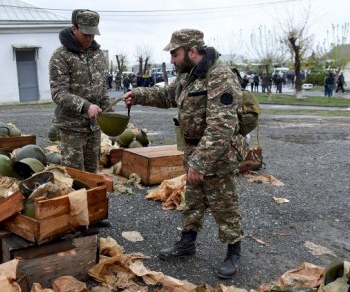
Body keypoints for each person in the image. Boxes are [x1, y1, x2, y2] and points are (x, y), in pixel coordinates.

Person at [122, 29, 246, 279]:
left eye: (175, 54)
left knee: (224, 204)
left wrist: (200, 162)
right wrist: (139, 95)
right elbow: (167, 95)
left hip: (218, 154)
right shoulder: (187, 75)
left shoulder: (220, 75)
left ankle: (233, 251)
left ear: (192, 51)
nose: (171, 60)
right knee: (193, 200)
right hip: (193, 150)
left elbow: (222, 126)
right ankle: (187, 242)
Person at [49, 9, 111, 173]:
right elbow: (58, 93)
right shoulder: (60, 56)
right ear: (74, 28)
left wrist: (110, 112)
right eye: (86, 34)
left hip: (94, 128)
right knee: (75, 178)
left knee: (92, 175)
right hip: (71, 129)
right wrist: (85, 106)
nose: (90, 39)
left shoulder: (97, 54)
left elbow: (102, 88)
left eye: (93, 34)